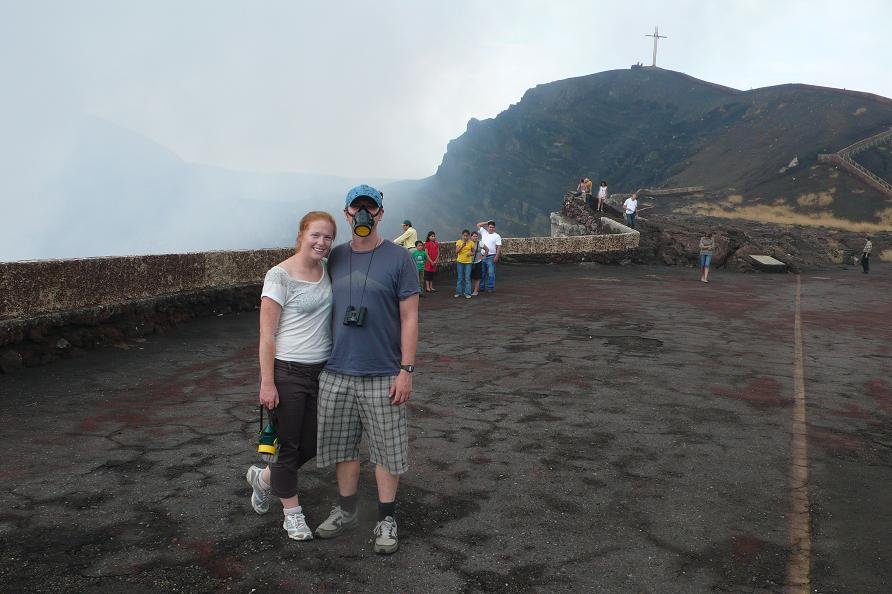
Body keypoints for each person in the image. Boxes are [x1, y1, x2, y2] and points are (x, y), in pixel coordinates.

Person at [314, 185, 419, 555]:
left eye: (369, 208)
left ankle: (386, 518)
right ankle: (346, 511)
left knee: (388, 452)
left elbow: (409, 317)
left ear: (380, 213)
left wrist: (406, 370)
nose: (363, 214)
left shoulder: (399, 258)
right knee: (343, 449)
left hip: (384, 373)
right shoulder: (334, 258)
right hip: (337, 371)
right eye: (356, 208)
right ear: (346, 214)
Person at [246, 211, 337, 542]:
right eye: (315, 235)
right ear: (301, 234)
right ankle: (292, 515)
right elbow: (267, 334)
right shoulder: (279, 276)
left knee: (312, 443)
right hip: (287, 372)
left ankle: (265, 479)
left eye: (328, 237)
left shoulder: (327, 269)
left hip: (321, 371)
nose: (321, 242)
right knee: (289, 446)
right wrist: (266, 381)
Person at [475, 219, 503, 292]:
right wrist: (487, 222)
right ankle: (481, 287)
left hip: (491, 256)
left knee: (491, 273)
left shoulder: (497, 236)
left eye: (492, 227)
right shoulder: (484, 233)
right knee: (482, 272)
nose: (491, 228)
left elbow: (499, 247)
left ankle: (490, 287)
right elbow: (478, 224)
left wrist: (497, 256)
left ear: (494, 228)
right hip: (482, 256)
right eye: (490, 227)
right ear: (488, 227)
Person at [454, 229, 474, 299]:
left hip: (468, 262)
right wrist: (462, 246)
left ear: (469, 236)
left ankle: (467, 293)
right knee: (460, 278)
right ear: (462, 236)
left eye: (467, 236)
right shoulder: (459, 242)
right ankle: (458, 292)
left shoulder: (471, 243)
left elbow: (473, 252)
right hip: (460, 262)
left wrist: (470, 254)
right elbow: (456, 252)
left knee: (467, 278)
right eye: (464, 236)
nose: (465, 237)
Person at [470, 230, 489, 296]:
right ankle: (469, 290)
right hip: (469, 262)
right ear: (471, 237)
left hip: (478, 262)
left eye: (476, 236)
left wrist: (484, 256)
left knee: (477, 277)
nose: (475, 237)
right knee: (470, 277)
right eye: (474, 236)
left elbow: (487, 249)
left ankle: (475, 291)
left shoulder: (480, 243)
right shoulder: (468, 243)